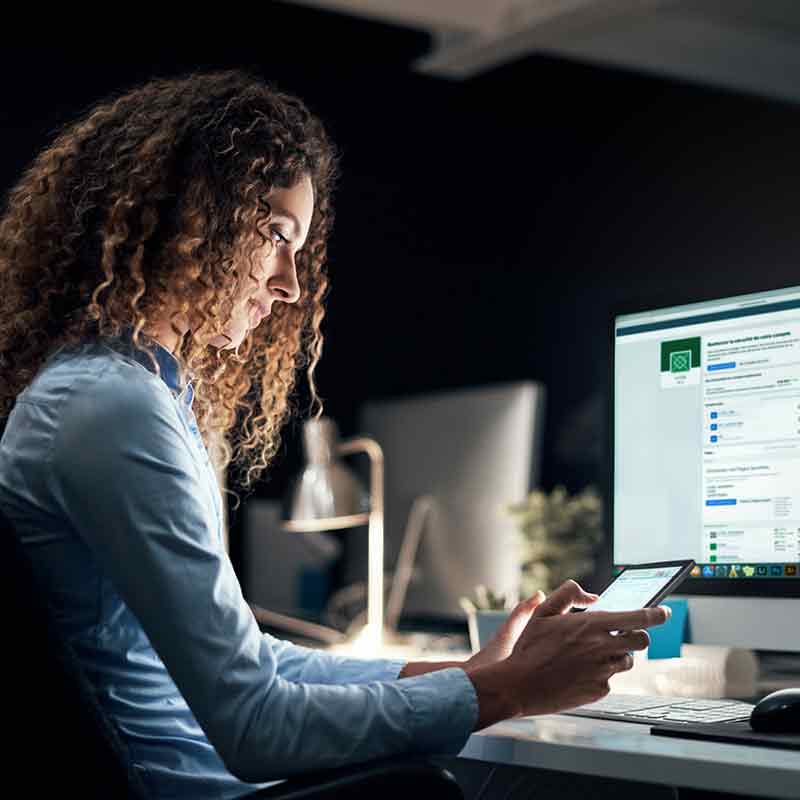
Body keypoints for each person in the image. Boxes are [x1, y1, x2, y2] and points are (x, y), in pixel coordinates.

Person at [0, 68, 669, 799]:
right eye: (275, 236)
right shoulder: (115, 411)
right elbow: (257, 727)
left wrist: (473, 674)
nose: (289, 283)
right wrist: (507, 692)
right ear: (191, 220)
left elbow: (254, 663)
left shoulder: (116, 394)